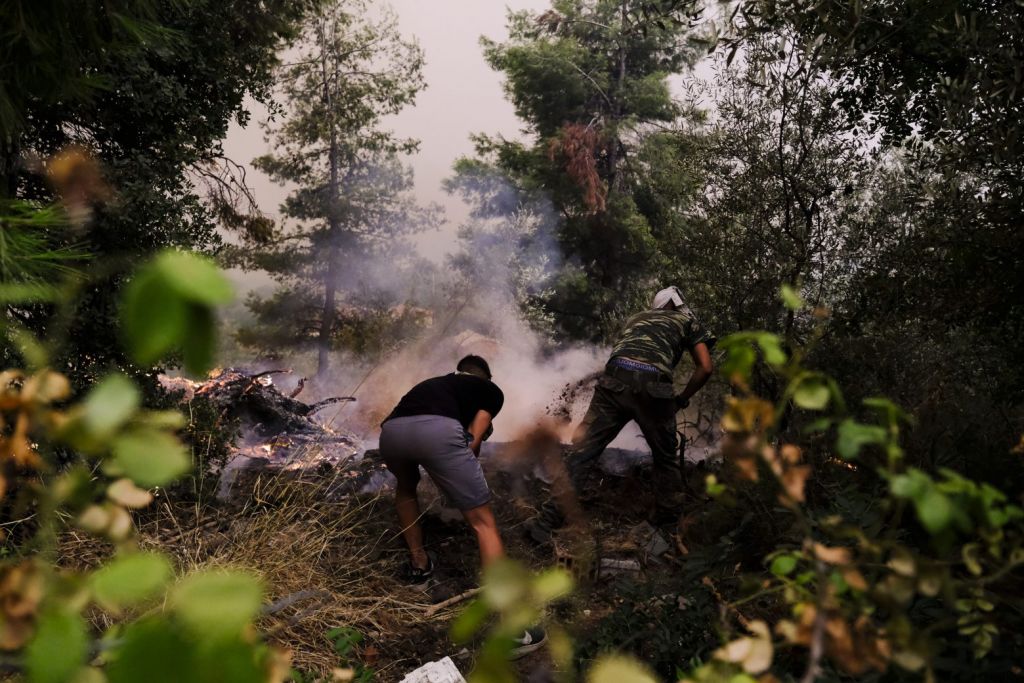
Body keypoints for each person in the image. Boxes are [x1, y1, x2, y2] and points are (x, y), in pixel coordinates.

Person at [379, 354, 546, 657]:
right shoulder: (490, 391)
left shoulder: (434, 384)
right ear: (485, 377)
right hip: (439, 433)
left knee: (405, 488)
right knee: (484, 523)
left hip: (391, 433)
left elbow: (406, 422)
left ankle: (419, 565)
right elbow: (473, 437)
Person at [528, 286, 716, 543]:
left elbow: (622, 353)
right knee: (665, 459)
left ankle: (547, 521)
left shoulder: (636, 318)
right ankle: (668, 528)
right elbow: (705, 368)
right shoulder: (687, 320)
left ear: (655, 306)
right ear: (678, 306)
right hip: (654, 387)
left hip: (613, 381)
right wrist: (681, 400)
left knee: (583, 452)